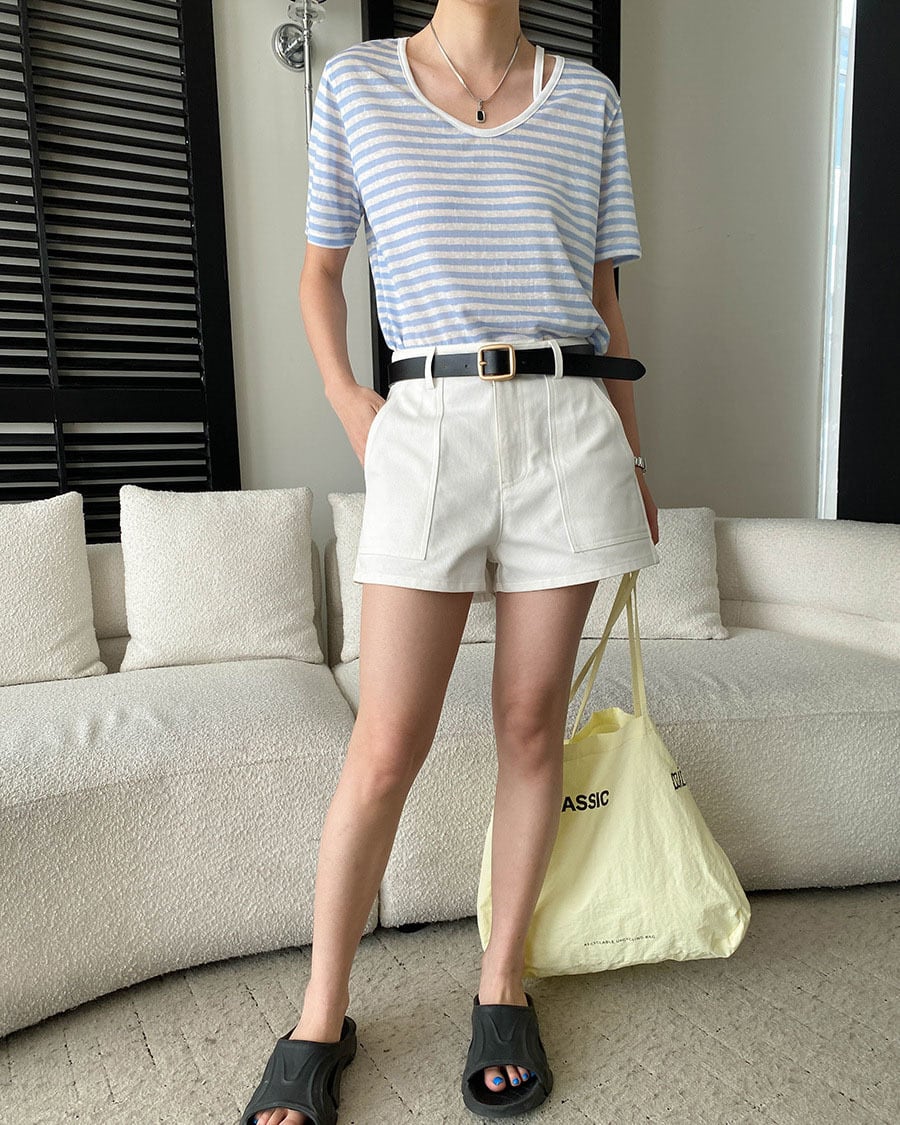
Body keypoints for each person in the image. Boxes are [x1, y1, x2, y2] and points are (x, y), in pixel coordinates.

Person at [241, 1, 660, 1122]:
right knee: (387, 743)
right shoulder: (358, 86)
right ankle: (320, 1016)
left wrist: (632, 452)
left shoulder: (589, 98)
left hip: (570, 422)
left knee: (530, 725)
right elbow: (319, 272)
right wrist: (350, 402)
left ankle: (500, 981)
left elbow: (606, 301)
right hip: (427, 420)